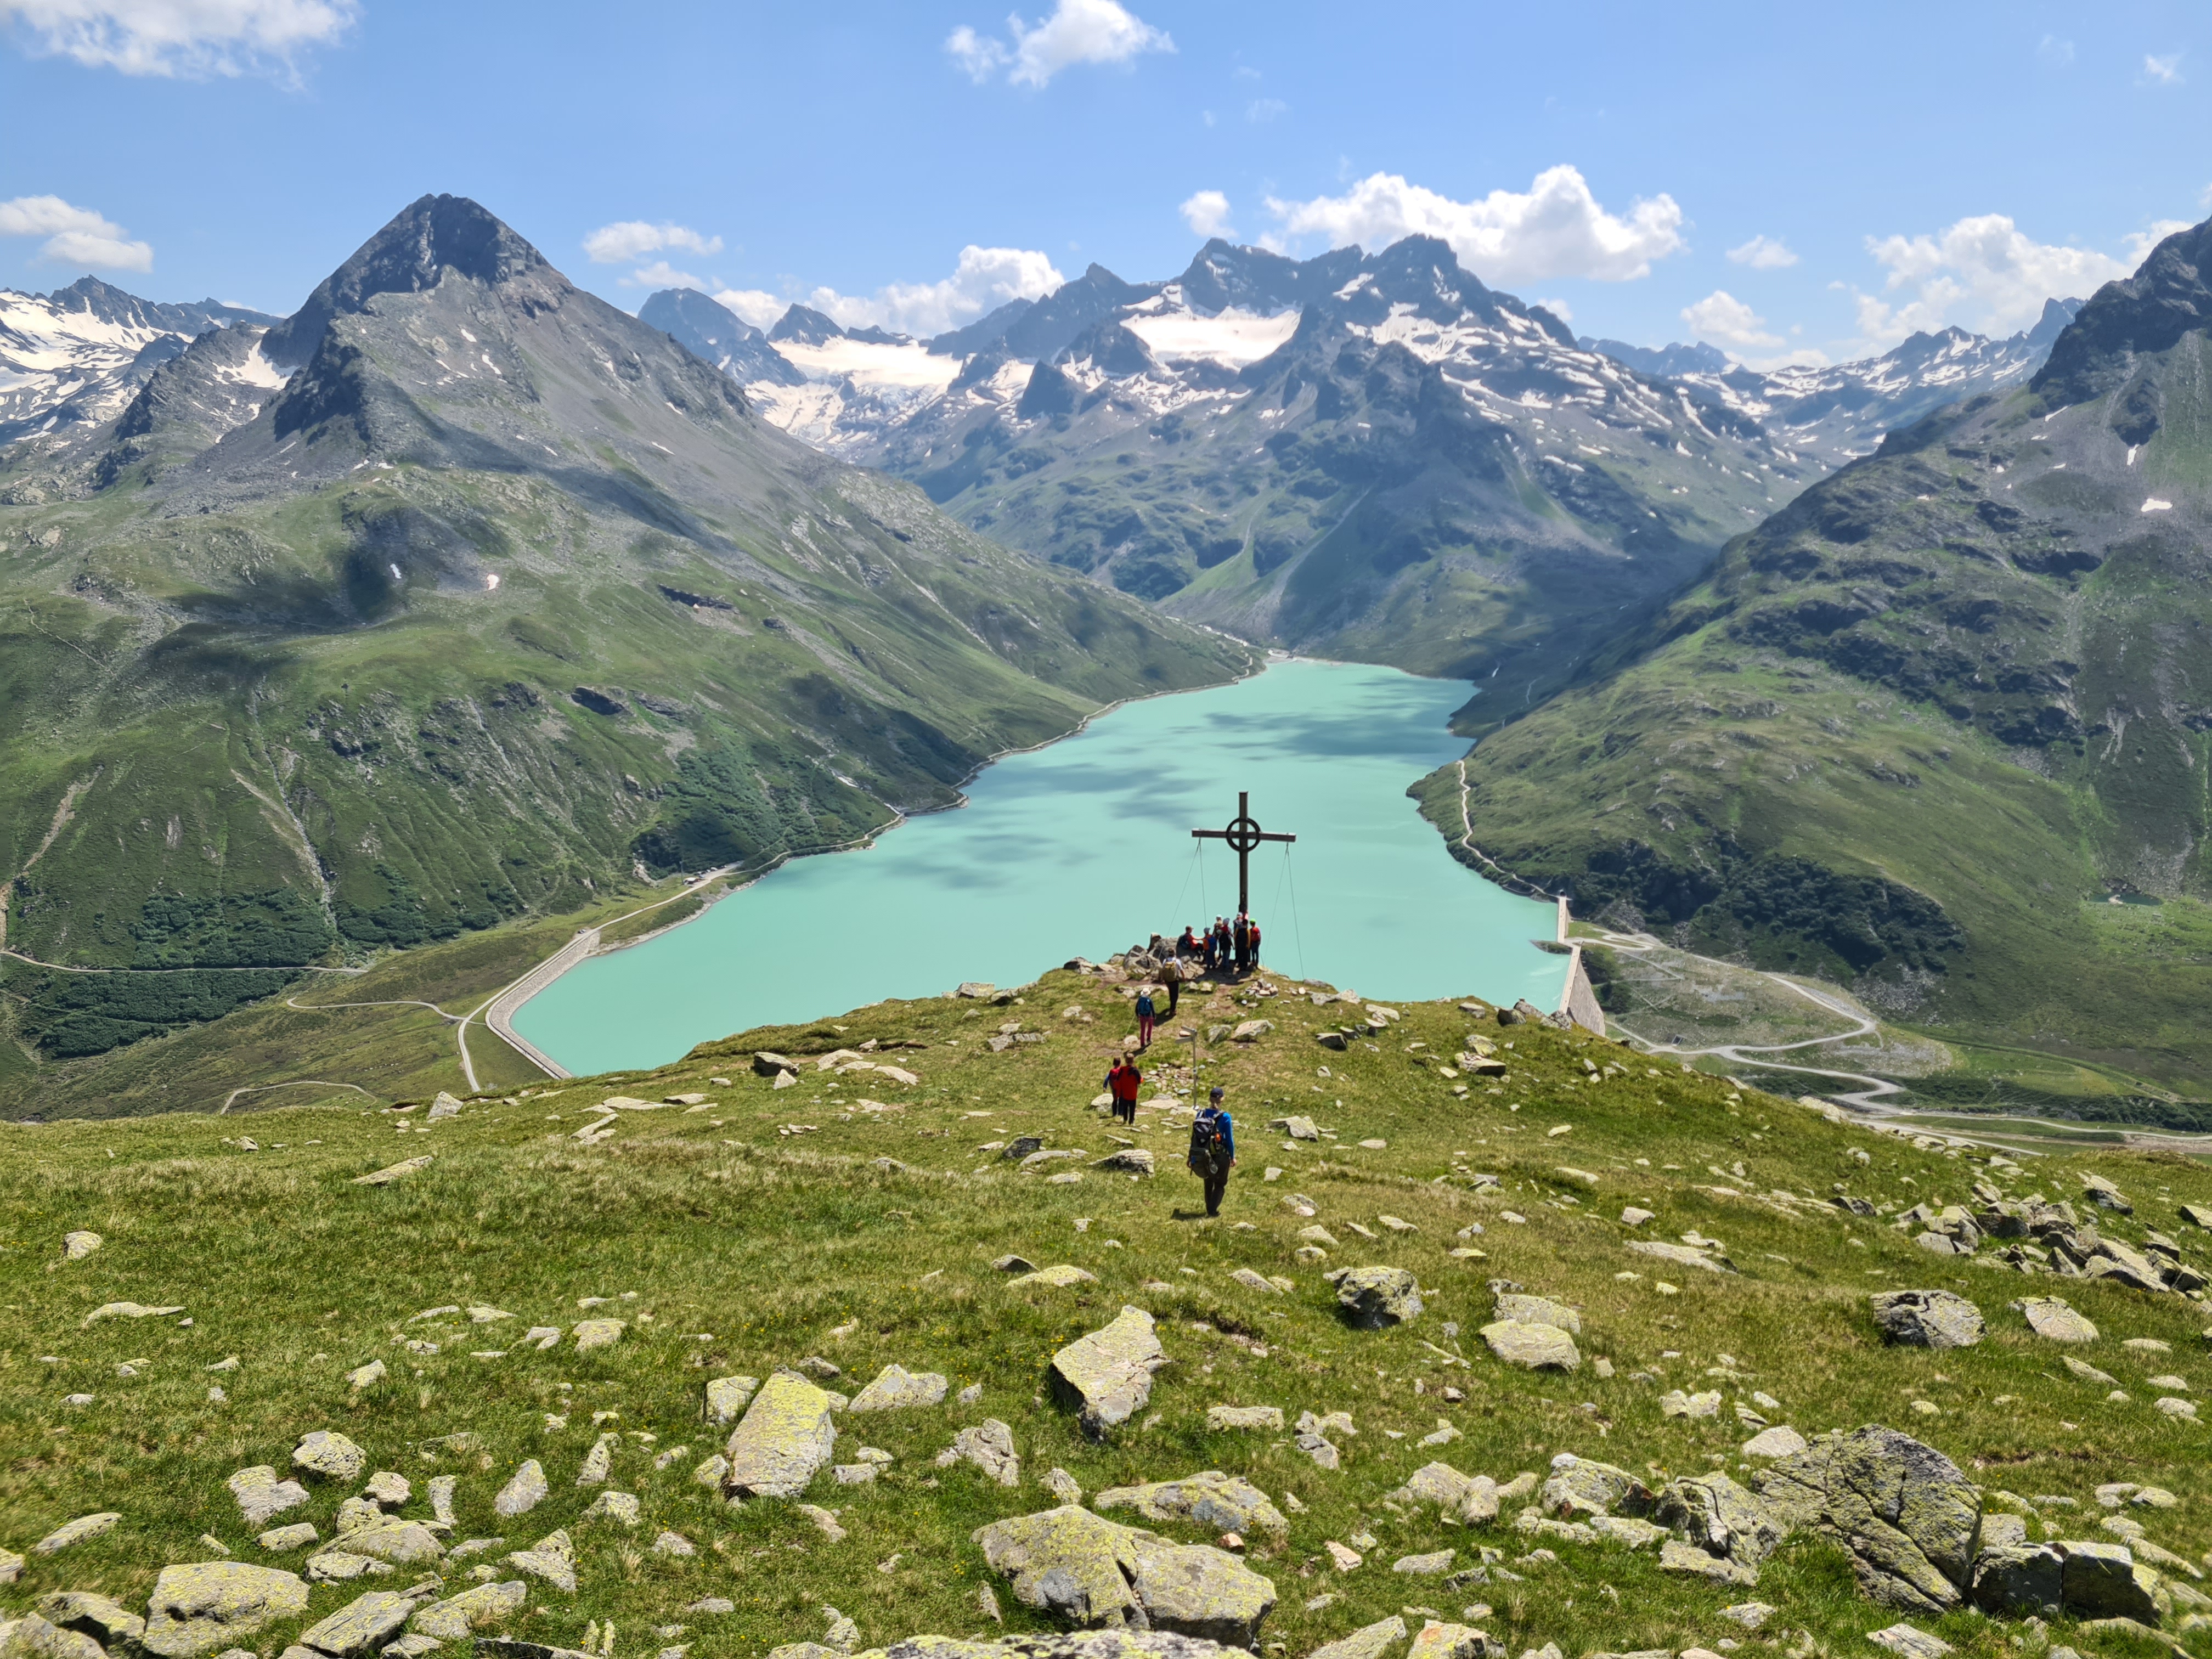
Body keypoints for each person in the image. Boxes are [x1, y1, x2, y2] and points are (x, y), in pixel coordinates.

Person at [1187, 1085, 1235, 1216]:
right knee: (1220, 1183)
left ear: (1210, 1099)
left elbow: (1194, 1137)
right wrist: (1232, 1156)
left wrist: (1190, 1156)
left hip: (1203, 1153)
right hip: (1220, 1155)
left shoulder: (1201, 1114)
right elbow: (1229, 1140)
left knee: (1208, 1181)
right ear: (1222, 1100)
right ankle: (1212, 1211)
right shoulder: (1225, 1117)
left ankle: (1209, 1208)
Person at [1104, 1058, 1141, 1126]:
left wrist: (1107, 1086)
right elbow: (1139, 1081)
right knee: (1132, 1107)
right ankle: (1131, 1121)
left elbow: (1118, 1079)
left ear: (1126, 1061)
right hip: (1133, 1092)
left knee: (1125, 1106)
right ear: (1133, 1061)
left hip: (1124, 1091)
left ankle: (1124, 1119)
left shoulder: (1122, 1070)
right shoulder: (1135, 1070)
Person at [1160, 952, 1183, 1017]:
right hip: (1175, 980)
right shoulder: (1177, 961)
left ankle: (1172, 1007)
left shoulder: (1165, 961)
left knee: (1171, 993)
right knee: (1175, 995)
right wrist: (1184, 977)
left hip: (1167, 980)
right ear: (1174, 954)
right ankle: (1173, 1010)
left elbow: (1163, 970)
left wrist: (1162, 979)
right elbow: (1181, 970)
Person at [1134, 985, 1156, 1050]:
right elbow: (1152, 1009)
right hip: (1149, 1016)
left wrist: (1137, 1015)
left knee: (1143, 1030)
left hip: (1142, 1016)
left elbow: (1136, 1009)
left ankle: (1142, 1044)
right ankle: (1149, 1039)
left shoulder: (1140, 1000)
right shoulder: (1149, 1000)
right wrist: (1154, 1016)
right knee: (1150, 1027)